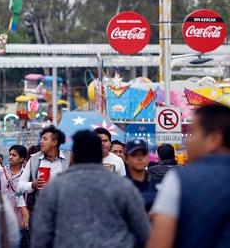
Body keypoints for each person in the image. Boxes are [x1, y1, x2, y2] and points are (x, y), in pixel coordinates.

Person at [31, 130, 150, 248]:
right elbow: (144, 231)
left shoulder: (54, 187)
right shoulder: (123, 186)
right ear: (100, 155)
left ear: (73, 156)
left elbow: (40, 235)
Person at [147, 105, 230, 248]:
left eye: (193, 132)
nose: (187, 141)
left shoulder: (180, 179)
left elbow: (159, 243)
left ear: (213, 139)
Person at [18, 126, 69, 209]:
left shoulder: (68, 158)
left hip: (64, 210)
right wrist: (32, 185)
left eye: (45, 139)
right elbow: (20, 186)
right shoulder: (34, 160)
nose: (41, 141)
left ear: (54, 142)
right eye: (41, 139)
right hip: (41, 211)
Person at [0, 145, 29, 247]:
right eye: (10, 154)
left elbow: (27, 196)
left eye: (14, 155)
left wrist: (26, 216)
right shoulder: (2, 171)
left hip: (19, 218)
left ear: (22, 158)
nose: (10, 157)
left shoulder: (26, 174)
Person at [124, 139, 158, 212]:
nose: (140, 158)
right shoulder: (119, 186)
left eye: (143, 154)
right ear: (126, 159)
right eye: (134, 155)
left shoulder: (157, 185)